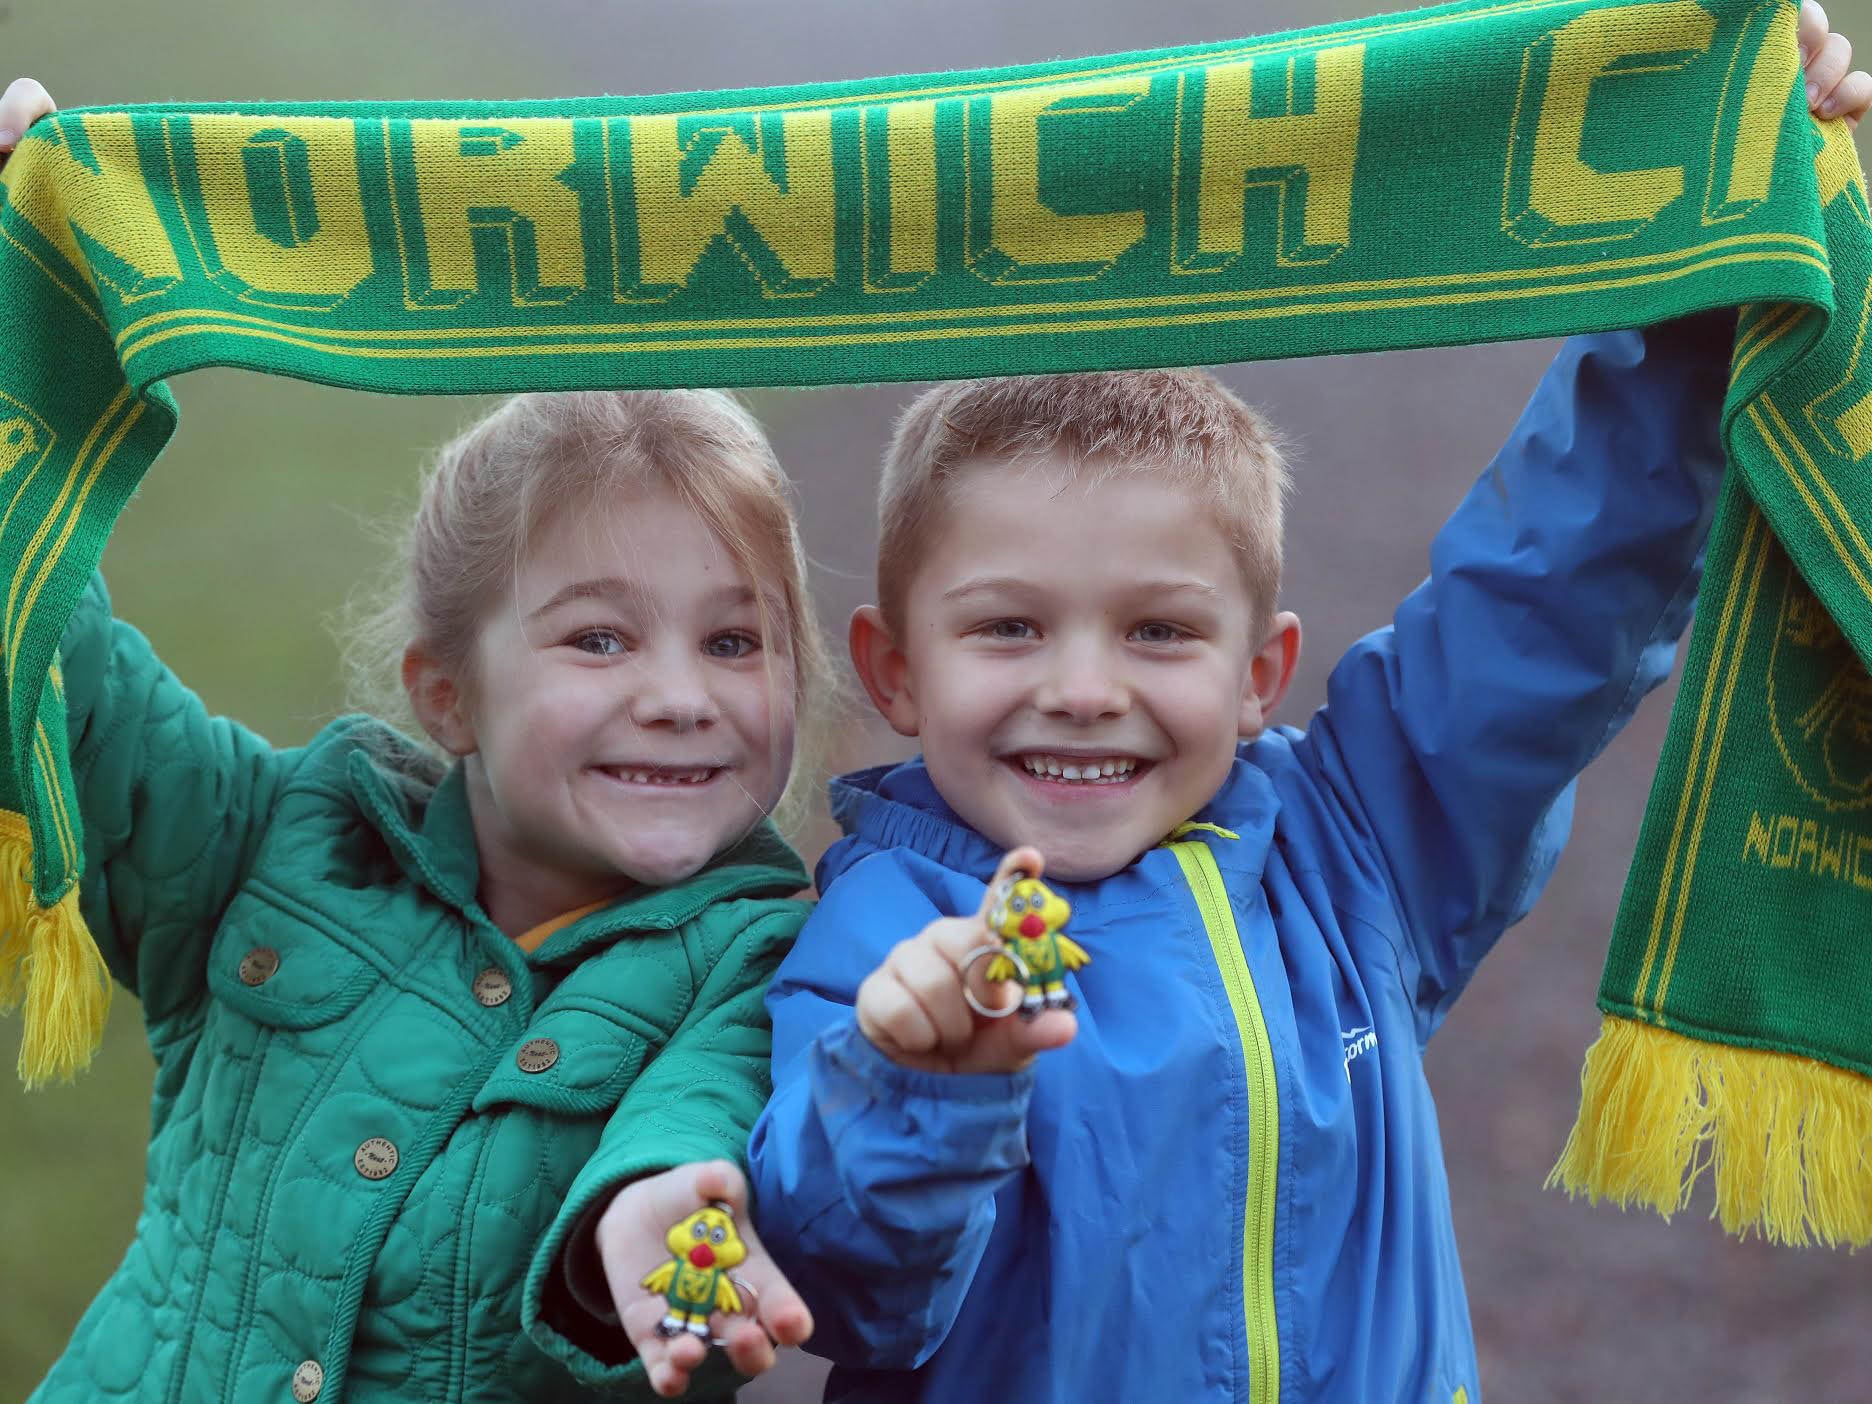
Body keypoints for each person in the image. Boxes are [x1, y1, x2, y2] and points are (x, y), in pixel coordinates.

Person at [744, 9, 1872, 1402]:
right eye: (1009, 628)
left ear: (1260, 674)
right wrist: (928, 1083)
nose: (1084, 690)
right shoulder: (880, 945)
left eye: (1159, 630)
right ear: (894, 671)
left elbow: (1556, 594)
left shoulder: (1353, 854)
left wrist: (1710, 246)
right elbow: (842, 1288)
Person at [0, 99, 825, 1390]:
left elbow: (700, 1107)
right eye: (600, 641)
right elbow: (56, 653)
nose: (682, 696)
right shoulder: (276, 839)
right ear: (448, 696)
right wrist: (23, 282)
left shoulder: (767, 957)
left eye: (734, 642)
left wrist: (653, 1207)